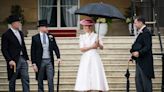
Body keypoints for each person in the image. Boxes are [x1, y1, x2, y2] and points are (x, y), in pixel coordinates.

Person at [74, 18, 109, 92]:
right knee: (86, 72)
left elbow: (102, 47)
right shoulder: (82, 36)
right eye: (84, 26)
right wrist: (92, 46)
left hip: (94, 56)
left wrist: (98, 43)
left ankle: (99, 87)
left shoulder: (97, 36)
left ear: (90, 27)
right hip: (86, 57)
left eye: (87, 26)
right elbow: (82, 49)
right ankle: (87, 88)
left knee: (96, 71)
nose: (85, 28)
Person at [31, 19, 61, 92]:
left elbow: (55, 47)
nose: (47, 28)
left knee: (50, 79)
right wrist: (34, 63)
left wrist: (58, 57)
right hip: (39, 62)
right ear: (41, 28)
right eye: (46, 27)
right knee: (40, 79)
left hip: (49, 61)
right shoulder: (35, 38)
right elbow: (32, 51)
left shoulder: (51, 36)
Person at [1, 15, 30, 92]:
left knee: (26, 78)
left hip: (22, 59)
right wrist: (9, 60)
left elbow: (23, 46)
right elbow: (4, 49)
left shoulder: (20, 33)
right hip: (13, 60)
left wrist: (27, 58)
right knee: (12, 80)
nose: (19, 24)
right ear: (12, 24)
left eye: (19, 22)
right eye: (17, 22)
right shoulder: (6, 35)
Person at [129, 16, 155, 92]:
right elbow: (138, 46)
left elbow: (148, 46)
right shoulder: (140, 32)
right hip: (139, 61)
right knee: (139, 82)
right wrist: (133, 56)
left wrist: (139, 53)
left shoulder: (146, 32)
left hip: (145, 62)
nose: (134, 24)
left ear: (140, 23)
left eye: (135, 23)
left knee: (145, 83)